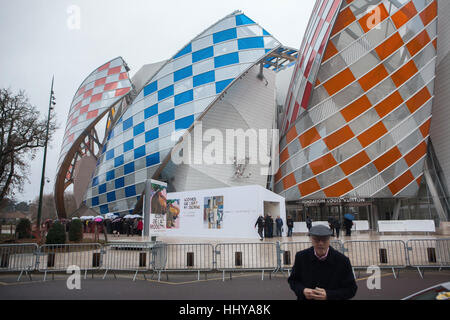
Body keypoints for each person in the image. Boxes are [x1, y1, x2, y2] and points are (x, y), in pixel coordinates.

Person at [288, 225, 357, 300]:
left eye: (324, 239)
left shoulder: (342, 261)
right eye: (317, 239)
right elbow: (293, 280)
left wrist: (328, 295)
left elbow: (351, 289)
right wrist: (303, 290)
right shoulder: (301, 257)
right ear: (311, 239)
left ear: (329, 239)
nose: (320, 243)